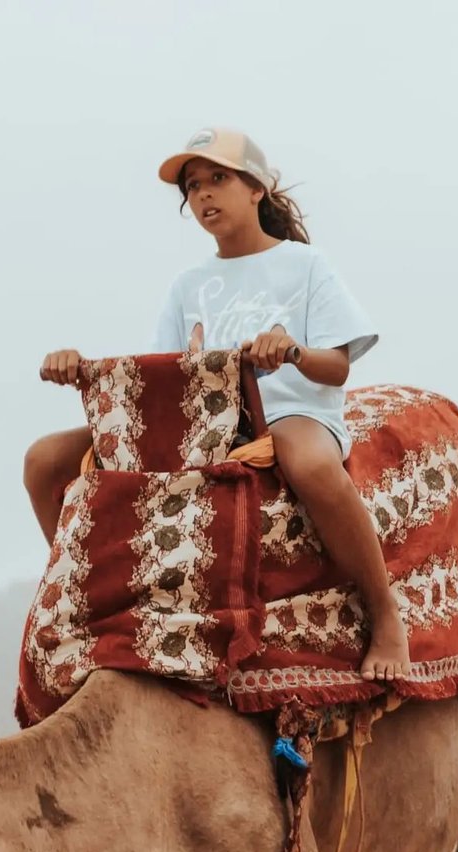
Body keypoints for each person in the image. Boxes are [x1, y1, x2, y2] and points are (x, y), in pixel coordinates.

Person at [23, 126, 409, 680]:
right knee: (44, 461)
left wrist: (292, 351)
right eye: (192, 186)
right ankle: (88, 602)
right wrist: (76, 366)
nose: (202, 194)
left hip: (290, 409)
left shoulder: (305, 265)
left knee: (309, 461)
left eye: (217, 179)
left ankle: (385, 614)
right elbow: (163, 375)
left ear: (256, 188)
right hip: (207, 421)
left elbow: (339, 365)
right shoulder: (189, 285)